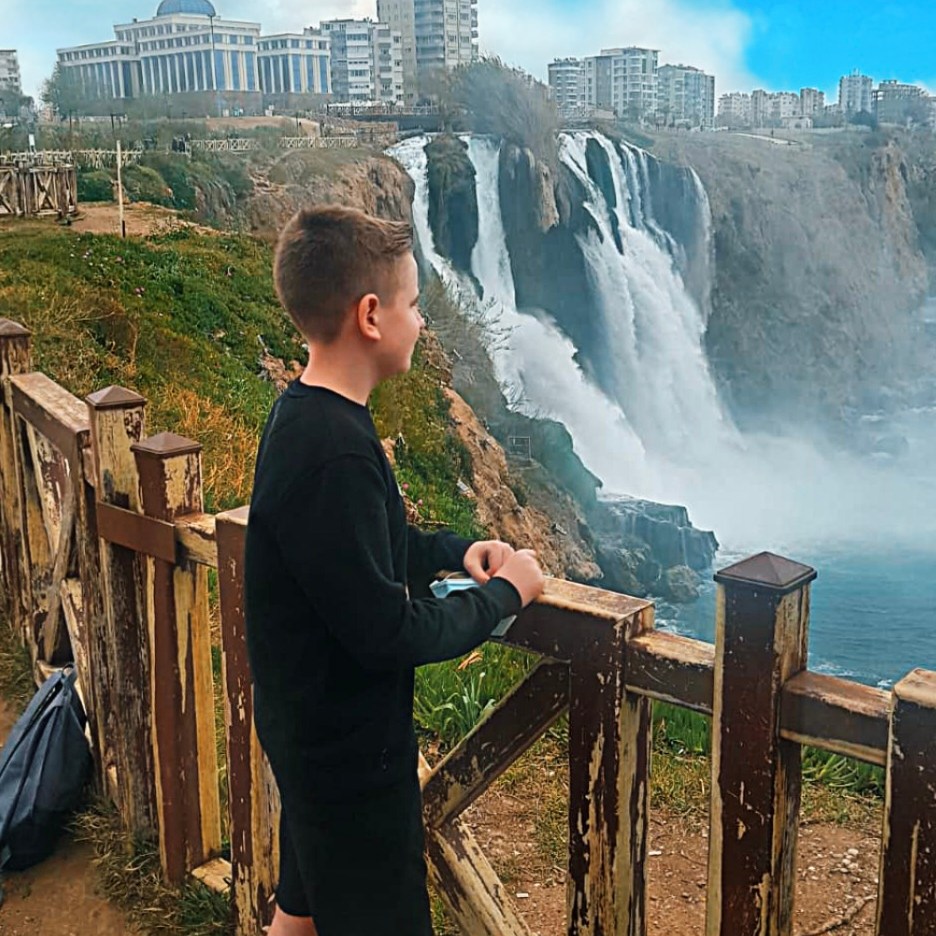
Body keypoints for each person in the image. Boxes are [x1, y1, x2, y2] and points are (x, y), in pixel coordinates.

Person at [244, 205, 545, 936]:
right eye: (414, 304)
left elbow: (360, 552)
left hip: (310, 731)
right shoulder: (336, 452)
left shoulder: (307, 417)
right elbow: (388, 631)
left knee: (300, 915)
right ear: (372, 316)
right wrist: (504, 596)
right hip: (349, 761)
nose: (421, 321)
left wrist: (450, 551)